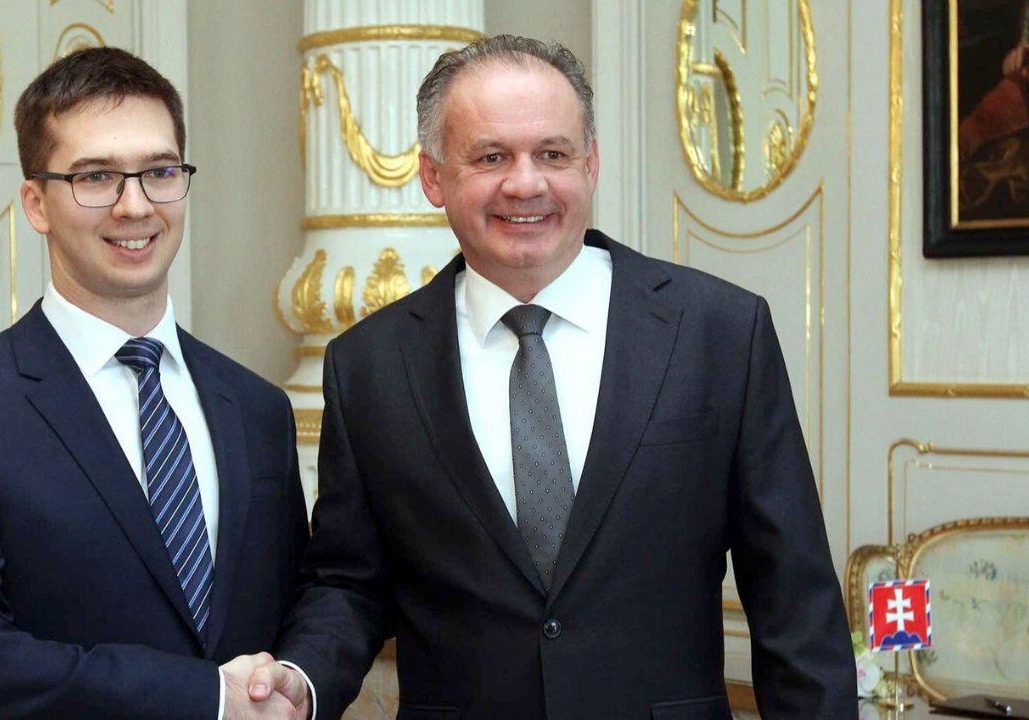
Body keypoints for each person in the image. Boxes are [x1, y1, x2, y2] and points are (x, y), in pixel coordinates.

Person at [249, 35, 856, 718]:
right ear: (433, 177)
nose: (526, 183)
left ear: (590, 165)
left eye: (553, 154)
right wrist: (302, 679)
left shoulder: (718, 333)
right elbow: (349, 583)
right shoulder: (370, 366)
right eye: (491, 157)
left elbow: (795, 600)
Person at [0, 47, 309, 719]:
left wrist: (296, 682)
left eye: (160, 172)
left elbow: (298, 602)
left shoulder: (257, 407)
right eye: (96, 177)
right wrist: (204, 698)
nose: (135, 206)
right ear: (37, 203)